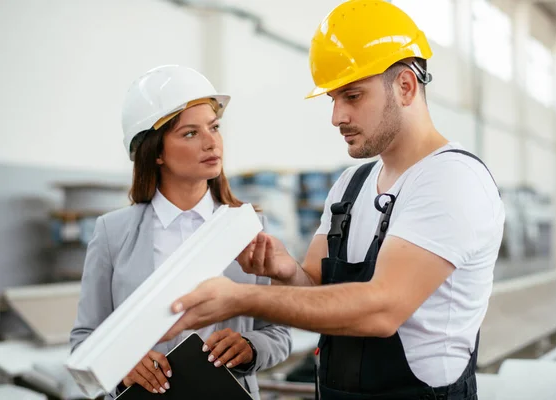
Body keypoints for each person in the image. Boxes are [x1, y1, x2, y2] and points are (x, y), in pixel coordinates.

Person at [161, 1, 505, 399]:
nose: (337, 116)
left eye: (353, 96)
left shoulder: (451, 180)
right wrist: (287, 271)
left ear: (406, 86)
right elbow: (316, 293)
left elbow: (382, 310)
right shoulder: (351, 185)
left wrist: (240, 297)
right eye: (333, 99)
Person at [70, 65, 291, 400]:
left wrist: (250, 346)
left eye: (214, 128)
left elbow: (278, 332)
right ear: (156, 151)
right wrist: (122, 366)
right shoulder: (112, 233)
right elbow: (85, 338)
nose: (211, 142)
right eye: (190, 133)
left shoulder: (247, 227)